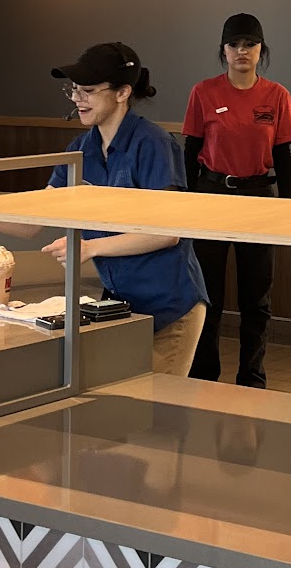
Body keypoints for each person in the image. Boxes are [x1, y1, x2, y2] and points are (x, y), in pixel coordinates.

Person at [47, 41, 208, 374]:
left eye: (88, 90)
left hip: (169, 306)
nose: (78, 99)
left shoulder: (153, 143)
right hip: (121, 306)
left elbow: (166, 234)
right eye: (74, 90)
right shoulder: (81, 149)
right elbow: (33, 215)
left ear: (122, 93)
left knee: (158, 404)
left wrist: (90, 247)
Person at [183, 13, 291, 390]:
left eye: (250, 44)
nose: (242, 51)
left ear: (261, 50)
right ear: (223, 50)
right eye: (234, 44)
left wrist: (288, 205)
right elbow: (191, 150)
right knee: (208, 295)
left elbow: (283, 154)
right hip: (212, 196)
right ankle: (204, 374)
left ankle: (252, 376)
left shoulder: (277, 95)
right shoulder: (204, 92)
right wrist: (187, 202)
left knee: (256, 297)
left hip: (259, 199)